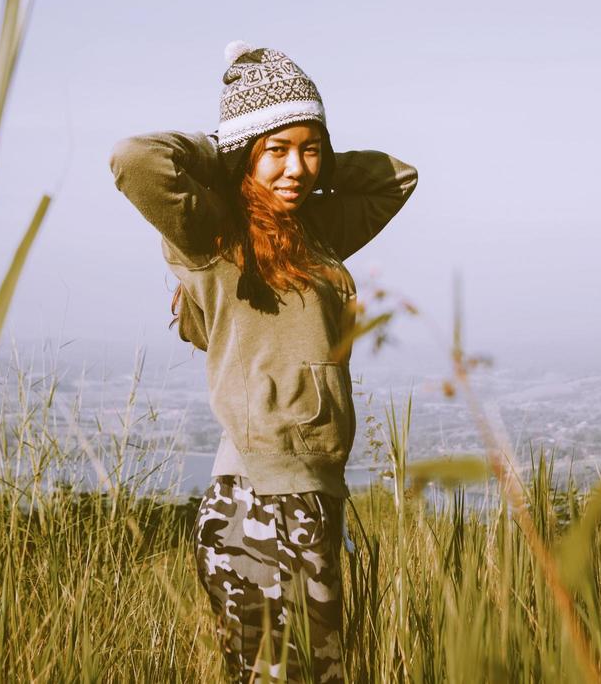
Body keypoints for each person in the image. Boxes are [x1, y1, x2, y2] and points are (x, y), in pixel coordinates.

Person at [108, 42, 418, 682]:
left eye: (310, 149)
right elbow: (135, 159)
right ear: (242, 154)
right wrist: (226, 146)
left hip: (305, 491)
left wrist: (302, 154)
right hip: (260, 498)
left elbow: (396, 177)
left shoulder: (316, 231)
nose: (297, 167)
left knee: (311, 671)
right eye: (275, 150)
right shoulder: (212, 234)